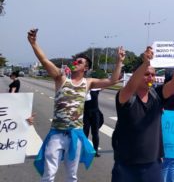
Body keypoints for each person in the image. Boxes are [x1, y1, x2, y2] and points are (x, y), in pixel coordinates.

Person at [27, 28, 123, 182]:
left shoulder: (88, 82)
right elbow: (45, 61)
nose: (75, 63)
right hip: (56, 133)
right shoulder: (61, 78)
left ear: (85, 68)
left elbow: (112, 80)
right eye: (75, 61)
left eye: (79, 62)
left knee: (72, 175)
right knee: (49, 174)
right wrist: (33, 43)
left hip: (76, 134)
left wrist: (119, 61)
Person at [111, 46, 174, 182]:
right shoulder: (126, 96)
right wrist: (146, 63)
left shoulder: (157, 95)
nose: (150, 77)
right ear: (138, 74)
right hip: (126, 165)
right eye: (146, 74)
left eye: (153, 74)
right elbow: (130, 86)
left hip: (152, 165)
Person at [83, 88, 104, 157]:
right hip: (86, 114)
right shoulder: (83, 89)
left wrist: (118, 79)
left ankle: (95, 151)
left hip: (95, 113)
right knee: (85, 132)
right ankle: (84, 150)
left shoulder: (95, 89)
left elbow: (106, 84)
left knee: (95, 133)